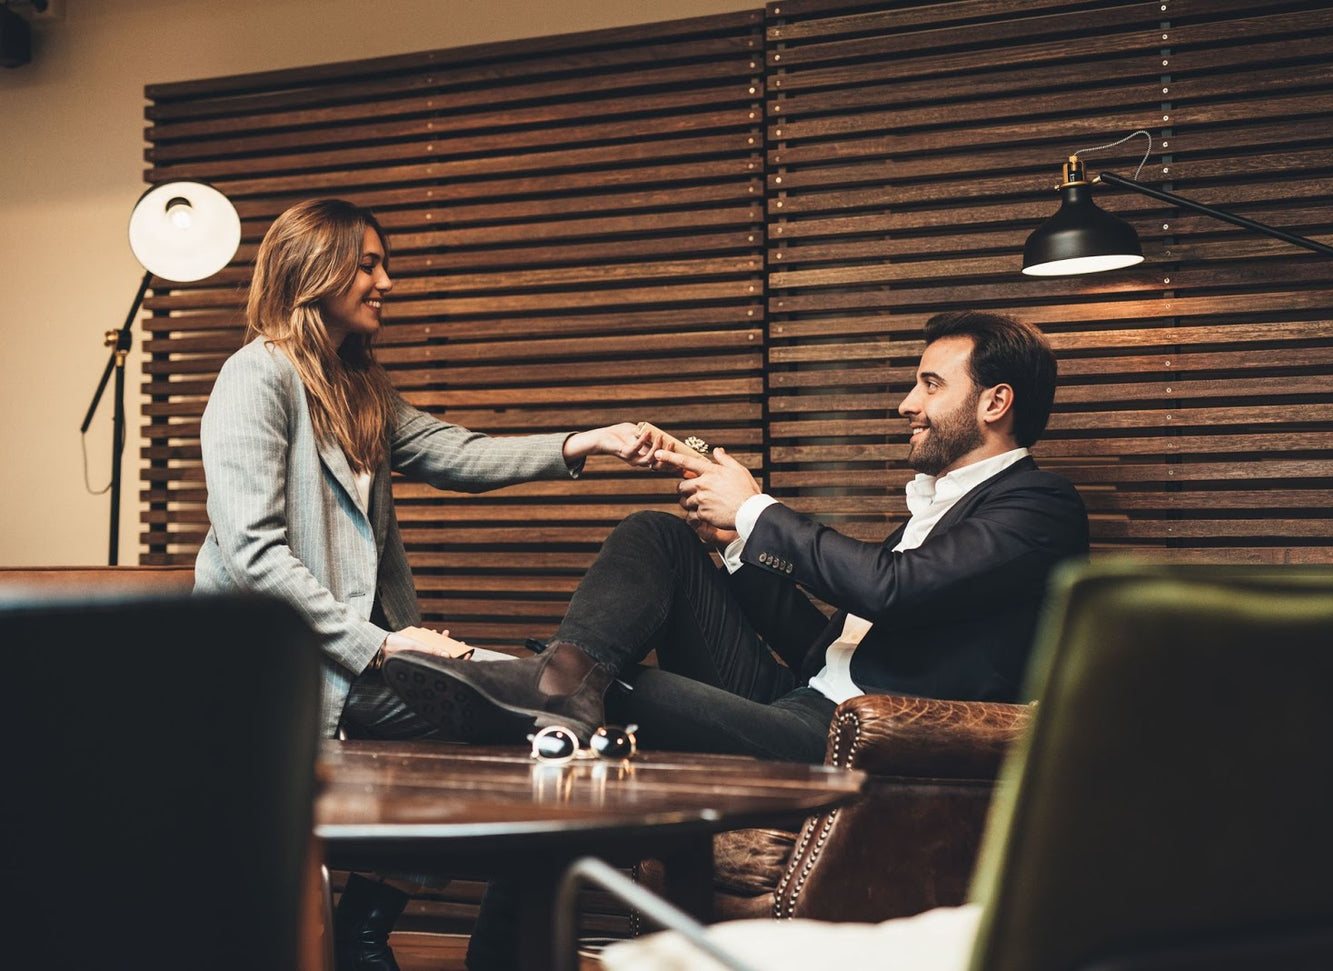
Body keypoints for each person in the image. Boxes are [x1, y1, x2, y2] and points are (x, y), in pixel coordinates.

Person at [192, 198, 666, 971]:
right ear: (316, 269)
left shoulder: (360, 387)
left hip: (363, 655)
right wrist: (380, 645)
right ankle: (372, 936)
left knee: (528, 727)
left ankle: (368, 929)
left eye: (385, 262)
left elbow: (461, 454)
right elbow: (253, 554)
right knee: (520, 722)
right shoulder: (256, 376)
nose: (387, 280)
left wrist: (591, 440)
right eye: (368, 263)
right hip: (285, 668)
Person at [382, 311, 1090, 765]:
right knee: (655, 536)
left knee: (605, 695)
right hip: (802, 696)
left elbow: (892, 588)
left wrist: (756, 510)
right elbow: (819, 639)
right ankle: (556, 687)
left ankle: (521, 681)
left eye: (930, 384)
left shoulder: (1039, 509)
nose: (908, 403)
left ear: (995, 402)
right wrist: (729, 538)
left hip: (857, 738)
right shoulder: (930, 511)